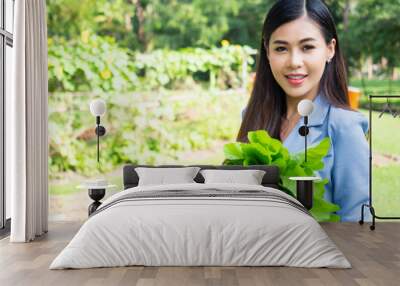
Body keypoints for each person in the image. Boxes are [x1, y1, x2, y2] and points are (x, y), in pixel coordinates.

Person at [238, 0, 369, 222]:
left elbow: (358, 223)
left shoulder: (343, 125)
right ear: (267, 52)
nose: (294, 62)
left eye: (307, 47)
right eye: (281, 48)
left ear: (330, 49)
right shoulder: (252, 116)